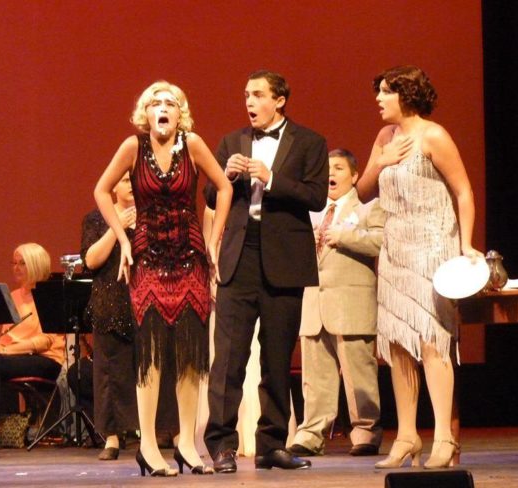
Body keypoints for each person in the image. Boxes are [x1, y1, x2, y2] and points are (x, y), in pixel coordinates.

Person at [94, 80, 232, 477]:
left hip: (189, 258)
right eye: (155, 103)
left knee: (190, 356)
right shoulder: (132, 147)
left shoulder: (193, 144)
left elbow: (223, 187)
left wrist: (213, 240)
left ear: (180, 111)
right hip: (148, 258)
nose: (163, 108)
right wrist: (122, 239)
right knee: (152, 356)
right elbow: (101, 190)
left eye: (170, 102)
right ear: (146, 112)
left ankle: (187, 443)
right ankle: (150, 447)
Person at [356, 65, 482, 469]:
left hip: (432, 247)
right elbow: (361, 193)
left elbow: (463, 190)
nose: (378, 99)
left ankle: (443, 437)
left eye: (385, 92)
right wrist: (381, 161)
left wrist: (464, 243)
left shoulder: (433, 136)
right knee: (396, 345)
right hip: (394, 250)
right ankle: (407, 436)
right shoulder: (384, 138)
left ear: (406, 95)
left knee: (431, 340)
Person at [203, 70, 328, 472]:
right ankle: (222, 445)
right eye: (245, 95)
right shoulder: (231, 142)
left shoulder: (310, 142)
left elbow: (315, 195)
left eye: (257, 95)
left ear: (280, 100)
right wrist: (227, 175)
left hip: (284, 262)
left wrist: (272, 178)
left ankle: (272, 443)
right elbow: (210, 194)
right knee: (229, 359)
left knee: (276, 360)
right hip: (239, 258)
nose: (249, 102)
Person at [289, 149, 385, 457]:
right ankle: (311, 433)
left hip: (351, 303)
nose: (330, 173)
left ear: (354, 176)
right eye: (326, 168)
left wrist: (343, 234)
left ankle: (366, 431)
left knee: (360, 373)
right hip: (314, 303)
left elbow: (380, 242)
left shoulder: (370, 209)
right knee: (314, 376)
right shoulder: (310, 212)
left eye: (339, 168)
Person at [0, 243, 66, 438]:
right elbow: (7, 338)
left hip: (46, 359)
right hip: (14, 357)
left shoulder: (48, 296)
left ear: (35, 265)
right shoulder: (13, 296)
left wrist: (2, 351)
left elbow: (45, 342)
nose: (16, 268)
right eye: (14, 263)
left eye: (22, 263)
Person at [80, 172, 138, 460]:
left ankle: (164, 432)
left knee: (153, 369)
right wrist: (118, 228)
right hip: (109, 302)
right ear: (113, 186)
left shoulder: (151, 215)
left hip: (144, 299)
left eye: (133, 179)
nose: (130, 184)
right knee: (109, 374)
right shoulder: (96, 219)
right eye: (125, 179)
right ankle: (112, 439)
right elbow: (91, 260)